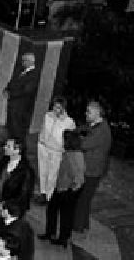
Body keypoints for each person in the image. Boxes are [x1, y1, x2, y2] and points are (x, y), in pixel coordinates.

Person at [73, 99, 112, 234]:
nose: (86, 113)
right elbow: (84, 129)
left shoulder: (101, 130)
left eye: (88, 111)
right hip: (91, 168)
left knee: (82, 198)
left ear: (97, 113)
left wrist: (77, 138)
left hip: (92, 170)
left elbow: (84, 144)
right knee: (85, 198)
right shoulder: (95, 125)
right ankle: (83, 224)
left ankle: (77, 226)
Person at [41, 129, 84, 246]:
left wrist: (71, 190)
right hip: (63, 188)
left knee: (63, 214)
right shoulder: (75, 153)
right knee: (59, 212)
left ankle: (60, 237)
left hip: (66, 189)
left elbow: (78, 177)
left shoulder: (71, 156)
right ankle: (56, 234)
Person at [36, 96, 75, 205]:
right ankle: (42, 193)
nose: (56, 110)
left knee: (52, 174)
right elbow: (43, 129)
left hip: (56, 151)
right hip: (44, 146)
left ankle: (49, 196)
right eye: (55, 107)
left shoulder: (69, 122)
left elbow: (70, 138)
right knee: (42, 171)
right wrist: (41, 141)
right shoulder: (47, 116)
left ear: (63, 109)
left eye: (59, 108)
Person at [0, 136, 34, 217]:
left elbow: (23, 195)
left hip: (11, 211)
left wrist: (4, 205)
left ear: (17, 150)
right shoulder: (3, 161)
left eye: (8, 146)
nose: (4, 147)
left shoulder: (26, 171)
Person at [4, 52, 38, 144]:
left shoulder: (33, 75)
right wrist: (7, 89)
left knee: (18, 130)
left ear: (30, 61)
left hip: (21, 108)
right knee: (11, 127)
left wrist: (11, 94)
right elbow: (12, 82)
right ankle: (10, 144)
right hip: (13, 106)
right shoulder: (21, 71)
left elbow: (26, 91)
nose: (22, 63)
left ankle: (19, 148)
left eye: (24, 61)